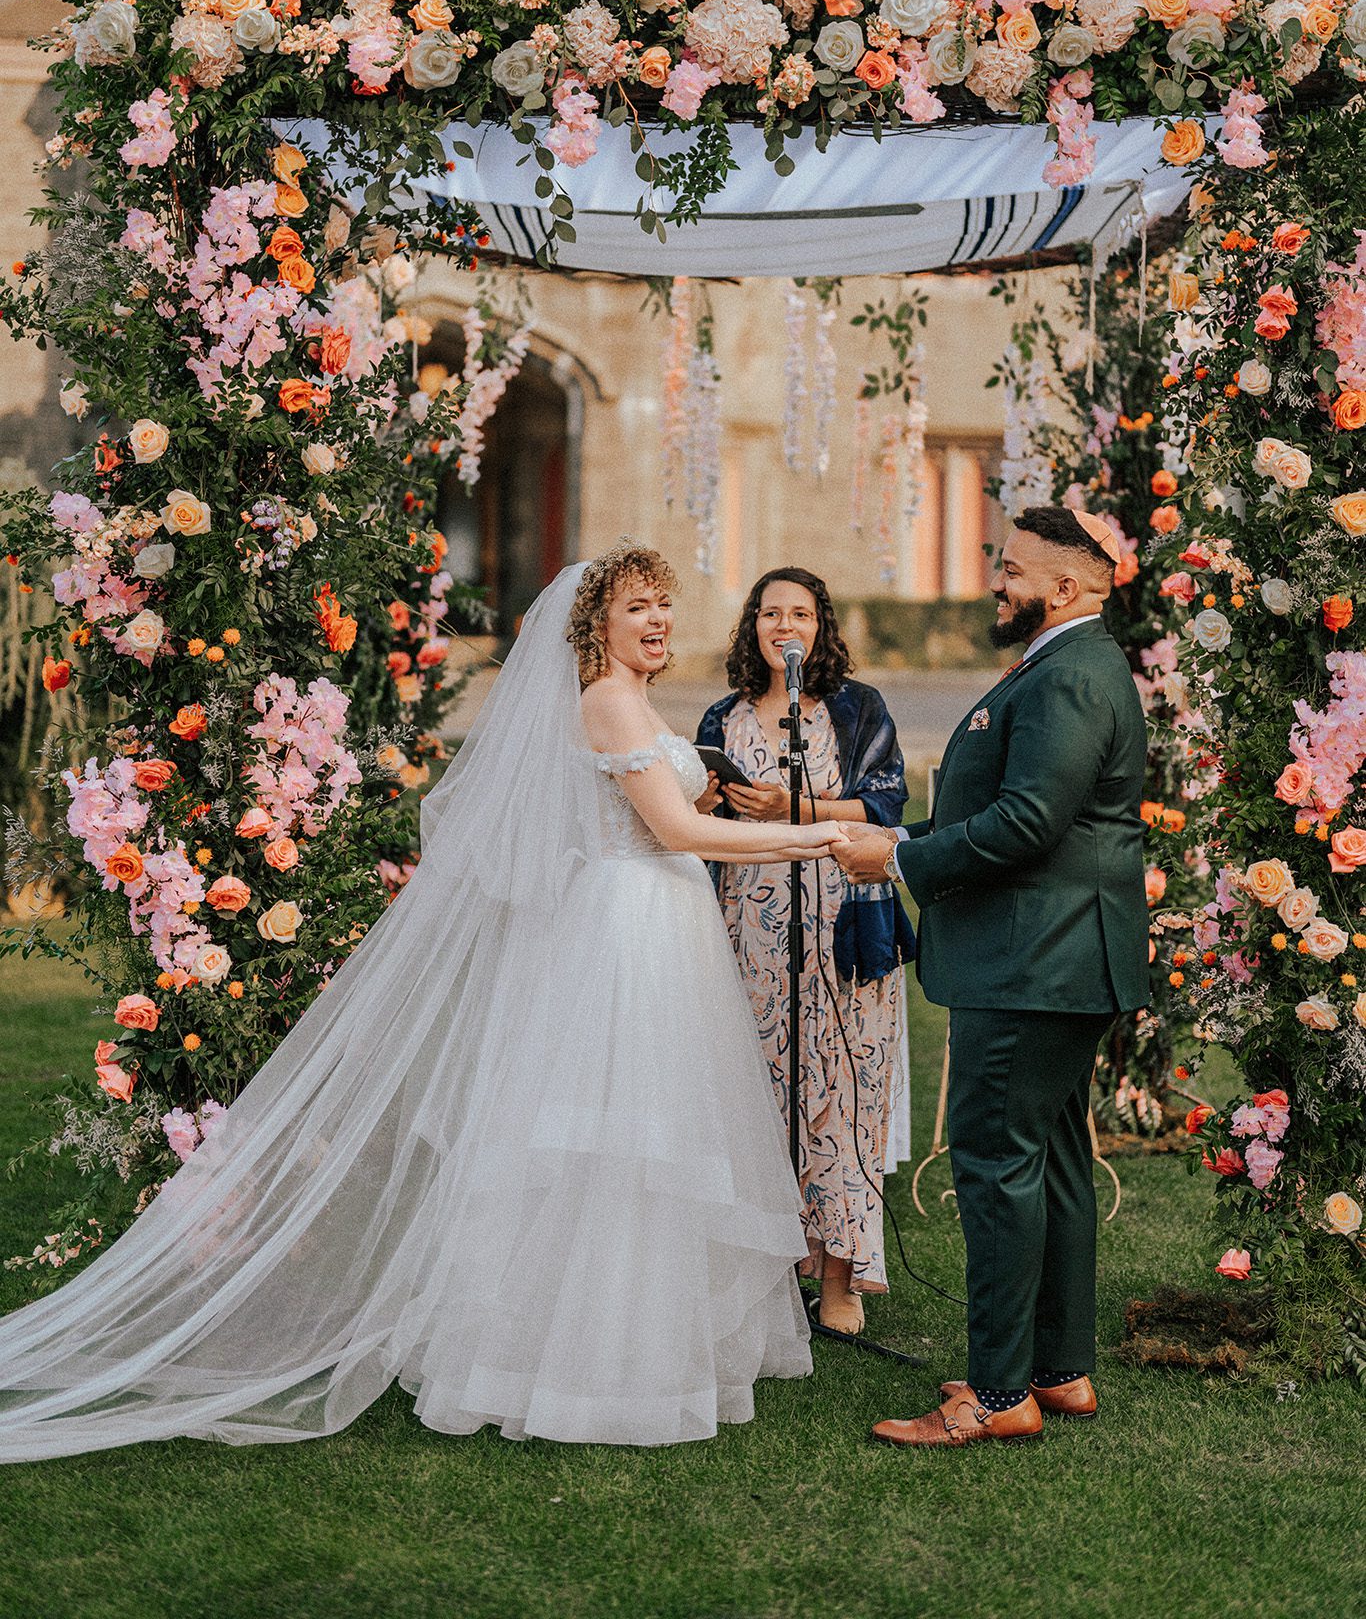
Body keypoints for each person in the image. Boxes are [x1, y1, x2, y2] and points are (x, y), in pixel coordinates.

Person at [0, 545, 847, 1459]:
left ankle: (623, 1345)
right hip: (626, 937)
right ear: (595, 623)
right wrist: (819, 838)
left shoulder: (631, 701)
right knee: (615, 1142)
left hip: (655, 927)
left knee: (641, 1141)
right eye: (637, 607)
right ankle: (589, 1368)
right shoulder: (605, 700)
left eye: (664, 608)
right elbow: (675, 829)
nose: (657, 623)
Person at [833, 505, 1148, 1446]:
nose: (996, 581)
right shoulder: (1064, 663)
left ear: (1066, 585)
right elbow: (1009, 811)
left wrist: (896, 864)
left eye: (1012, 568)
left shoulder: (1071, 676)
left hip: (1033, 960)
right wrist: (897, 836)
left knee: (996, 1169)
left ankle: (997, 1395)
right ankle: (1059, 1372)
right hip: (1054, 955)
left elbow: (1026, 826)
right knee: (1049, 1166)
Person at [696, 568, 914, 1336]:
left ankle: (840, 1276)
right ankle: (769, 1259)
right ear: (751, 624)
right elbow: (697, 817)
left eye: (800, 612)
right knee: (763, 1095)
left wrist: (797, 808)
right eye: (769, 612)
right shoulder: (723, 716)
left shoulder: (858, 709)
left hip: (844, 923)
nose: (783, 625)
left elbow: (887, 802)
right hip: (751, 929)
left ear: (822, 625)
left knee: (842, 1097)